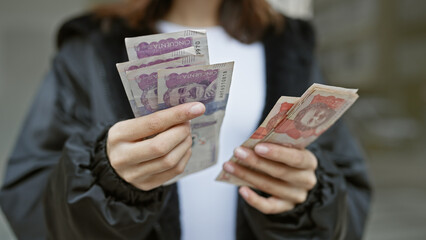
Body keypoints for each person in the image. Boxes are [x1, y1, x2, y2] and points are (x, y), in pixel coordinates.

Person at [0, 0, 372, 239]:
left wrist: (306, 201)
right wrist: (106, 182)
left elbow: (350, 199)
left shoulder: (291, 46)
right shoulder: (90, 47)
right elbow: (29, 200)